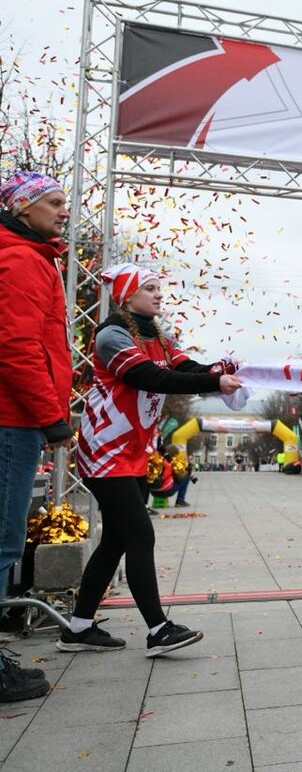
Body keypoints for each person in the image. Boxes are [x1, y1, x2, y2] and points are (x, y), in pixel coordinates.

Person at [62, 263, 242, 657]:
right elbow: (150, 378)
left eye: (160, 287)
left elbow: (185, 369)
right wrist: (213, 381)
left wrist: (220, 371)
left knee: (115, 539)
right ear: (126, 296)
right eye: (150, 288)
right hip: (105, 450)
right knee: (140, 535)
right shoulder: (112, 335)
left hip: (134, 452)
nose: (160, 294)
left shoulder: (158, 335)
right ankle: (159, 629)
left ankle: (78, 627)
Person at [0, 171, 72, 701]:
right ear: (24, 208)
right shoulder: (22, 258)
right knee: (3, 543)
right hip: (12, 419)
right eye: (53, 202)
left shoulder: (29, 254)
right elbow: (16, 347)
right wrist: (52, 416)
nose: (63, 210)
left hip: (16, 416)